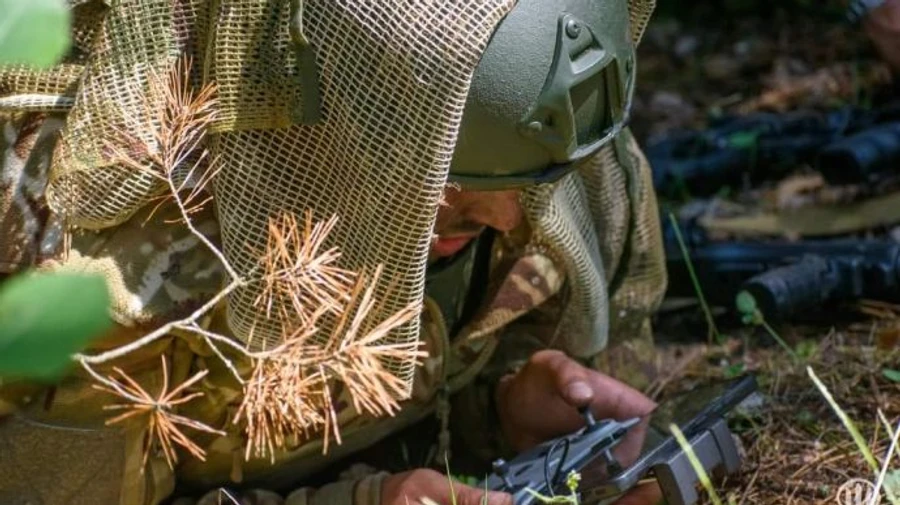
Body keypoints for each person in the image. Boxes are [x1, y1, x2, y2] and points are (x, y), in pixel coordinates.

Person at [0, 1, 667, 505]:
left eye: (531, 185)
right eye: (447, 182)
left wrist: (500, 407)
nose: (508, 218)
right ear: (338, 129)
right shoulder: (108, 280)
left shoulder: (555, 145)